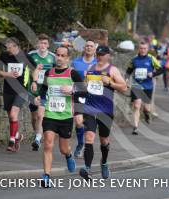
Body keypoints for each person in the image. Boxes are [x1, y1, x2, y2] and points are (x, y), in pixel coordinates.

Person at [36, 46, 85, 188]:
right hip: (50, 114)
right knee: (48, 144)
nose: (59, 57)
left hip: (65, 117)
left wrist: (72, 90)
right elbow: (44, 90)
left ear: (67, 58)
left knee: (63, 148)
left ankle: (68, 155)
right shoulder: (49, 72)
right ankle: (46, 176)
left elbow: (85, 92)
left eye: (63, 55)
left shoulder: (73, 74)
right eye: (57, 55)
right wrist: (39, 98)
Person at [79, 45, 127, 181]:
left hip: (105, 110)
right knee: (89, 137)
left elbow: (123, 87)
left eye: (102, 54)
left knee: (104, 140)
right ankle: (87, 169)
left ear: (108, 56)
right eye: (98, 54)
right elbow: (85, 85)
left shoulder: (112, 70)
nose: (99, 56)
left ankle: (104, 162)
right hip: (89, 107)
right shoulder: (90, 69)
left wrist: (110, 82)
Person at [0, 37, 35, 152]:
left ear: (15, 46)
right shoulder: (4, 56)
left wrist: (34, 82)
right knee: (11, 117)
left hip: (22, 90)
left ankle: (12, 140)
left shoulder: (26, 57)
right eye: (6, 47)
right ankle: (18, 136)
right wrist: (8, 74)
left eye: (9, 47)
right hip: (8, 90)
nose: (7, 49)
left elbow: (35, 69)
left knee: (14, 114)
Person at [125, 41, 162, 135]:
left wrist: (153, 74)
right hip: (136, 85)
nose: (142, 50)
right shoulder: (134, 59)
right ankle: (135, 127)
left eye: (144, 48)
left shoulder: (151, 58)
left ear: (147, 49)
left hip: (148, 86)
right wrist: (126, 79)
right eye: (141, 48)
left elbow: (161, 69)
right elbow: (128, 70)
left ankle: (146, 114)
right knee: (137, 106)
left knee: (146, 108)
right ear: (139, 49)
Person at [29, 33, 56, 151]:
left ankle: (37, 139)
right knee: (34, 117)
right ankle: (37, 133)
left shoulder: (53, 57)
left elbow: (56, 72)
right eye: (41, 43)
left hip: (45, 90)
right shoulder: (31, 55)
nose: (43, 45)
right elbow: (26, 70)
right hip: (33, 89)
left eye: (45, 43)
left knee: (41, 115)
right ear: (37, 44)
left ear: (48, 45)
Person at [71, 40, 97, 158]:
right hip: (79, 95)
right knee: (78, 121)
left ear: (94, 49)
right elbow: (69, 76)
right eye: (87, 46)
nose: (89, 48)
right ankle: (80, 144)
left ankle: (87, 143)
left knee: (89, 123)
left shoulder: (98, 63)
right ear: (84, 48)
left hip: (93, 97)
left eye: (91, 46)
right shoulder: (75, 62)